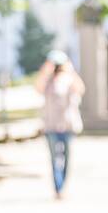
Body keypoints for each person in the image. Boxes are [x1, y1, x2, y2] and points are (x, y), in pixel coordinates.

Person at [34, 50, 85, 199]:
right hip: (51, 126)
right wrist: (45, 70)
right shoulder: (48, 81)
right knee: (54, 158)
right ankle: (58, 188)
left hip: (68, 125)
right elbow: (37, 87)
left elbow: (81, 89)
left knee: (67, 158)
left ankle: (62, 185)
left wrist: (70, 70)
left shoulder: (69, 80)